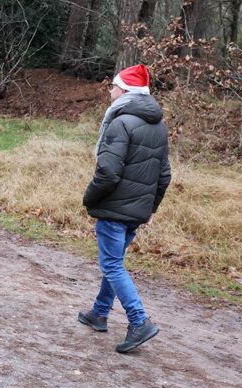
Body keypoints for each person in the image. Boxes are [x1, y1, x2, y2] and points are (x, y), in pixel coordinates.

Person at [78, 63, 171, 353]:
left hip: (114, 209)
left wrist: (90, 199)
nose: (110, 91)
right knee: (114, 261)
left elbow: (107, 171)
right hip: (137, 210)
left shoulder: (120, 122)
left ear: (126, 91)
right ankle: (99, 312)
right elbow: (164, 175)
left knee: (112, 265)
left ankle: (139, 321)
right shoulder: (158, 125)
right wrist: (150, 208)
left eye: (113, 86)